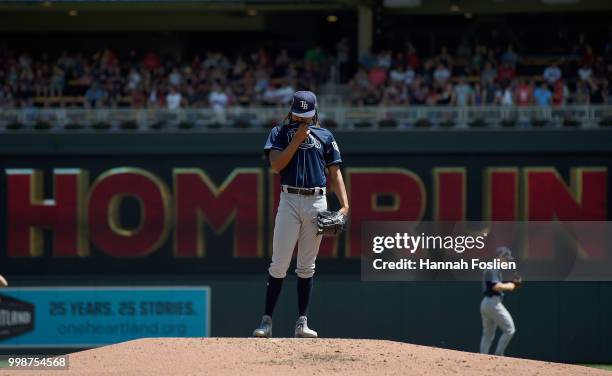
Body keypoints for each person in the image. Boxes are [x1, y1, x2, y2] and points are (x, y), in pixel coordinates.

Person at [253, 91, 349, 338]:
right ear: (292, 110)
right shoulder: (280, 132)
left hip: (317, 199)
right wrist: (295, 140)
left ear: (315, 111)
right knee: (279, 263)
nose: (302, 118)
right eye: (299, 113)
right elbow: (275, 165)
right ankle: (266, 321)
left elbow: (335, 172)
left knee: (307, 266)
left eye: (306, 114)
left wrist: (345, 205)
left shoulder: (325, 135)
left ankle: (302, 323)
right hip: (290, 198)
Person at [480, 247, 518, 356]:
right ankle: (498, 355)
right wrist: (510, 285)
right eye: (506, 259)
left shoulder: (491, 267)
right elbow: (495, 286)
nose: (507, 261)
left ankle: (481, 359)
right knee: (510, 330)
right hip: (493, 303)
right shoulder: (493, 267)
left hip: (486, 303)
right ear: (500, 256)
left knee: (487, 335)